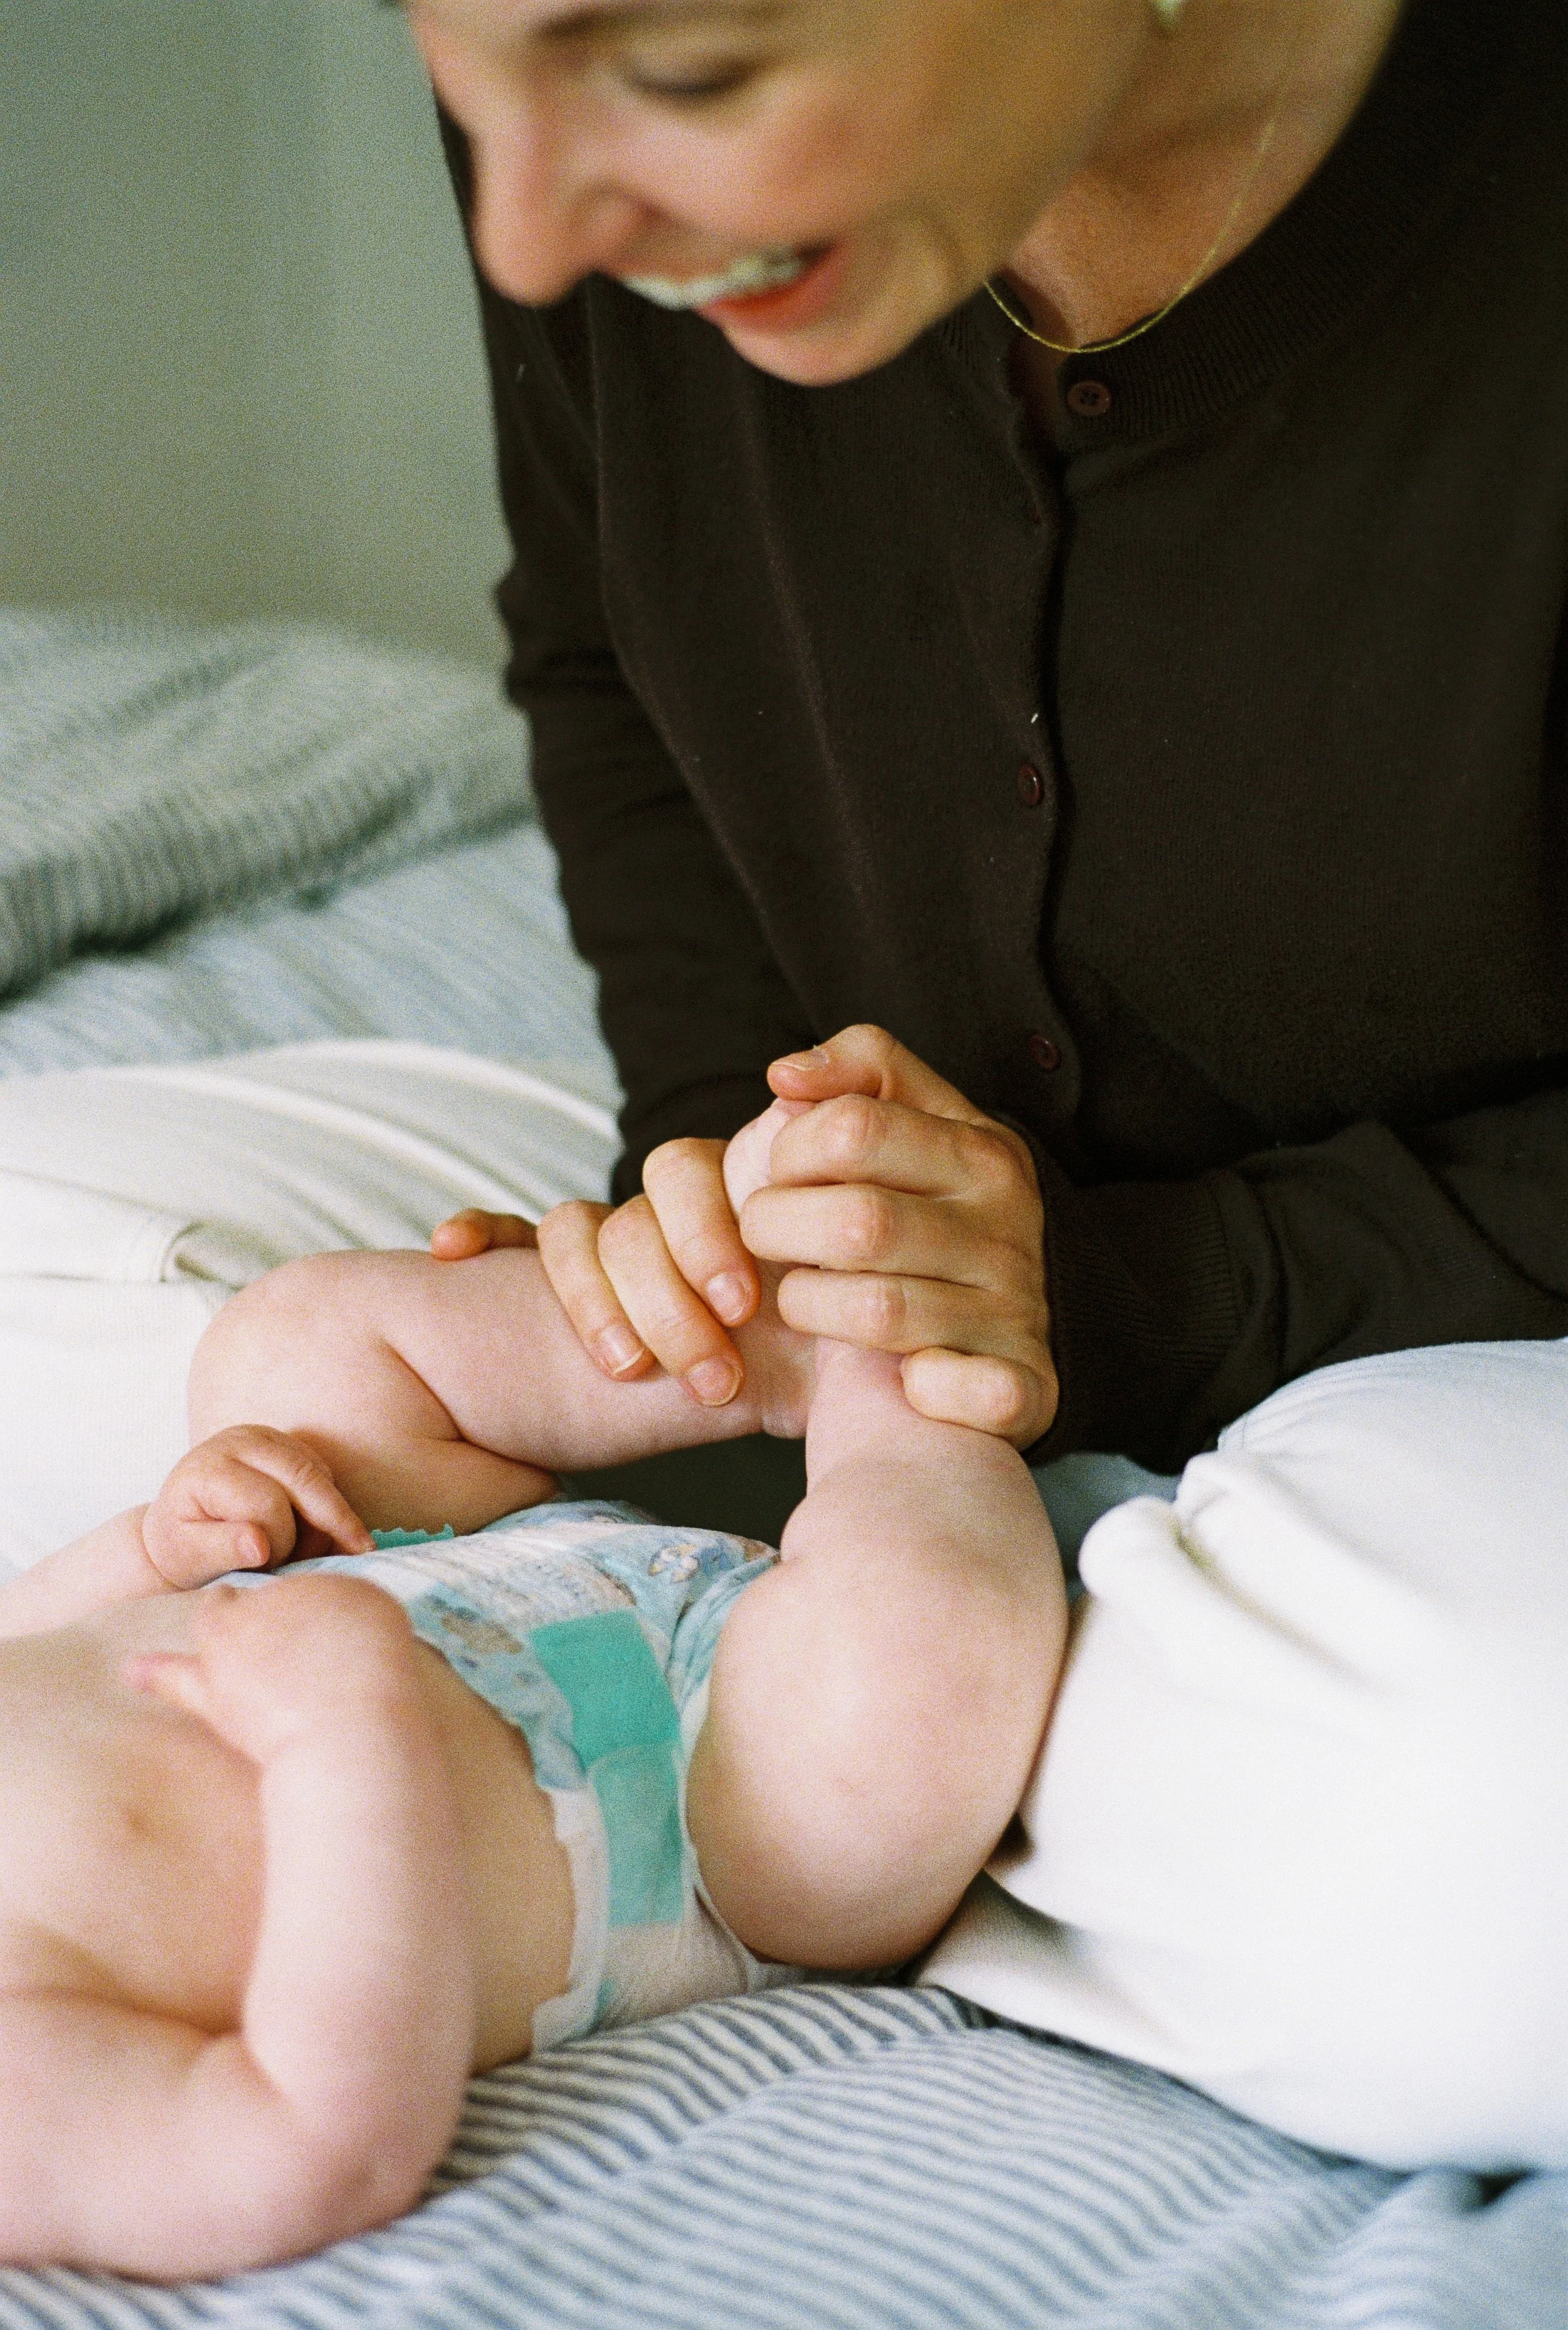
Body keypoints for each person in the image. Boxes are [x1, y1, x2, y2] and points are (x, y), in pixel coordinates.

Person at [402, 0, 1568, 1483]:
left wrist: (1150, 1290)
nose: (526, 246)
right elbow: (607, 644)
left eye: (688, 76)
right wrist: (735, 1199)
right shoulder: (568, 103)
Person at [0, 1103, 1064, 2280]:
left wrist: (174, 1536)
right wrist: (339, 1744)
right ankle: (890, 1365)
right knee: (912, 1694)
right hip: (698, 1800)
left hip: (415, 1550)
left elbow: (47, 1624)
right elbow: (309, 2146)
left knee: (285, 1346)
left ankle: (762, 1335)